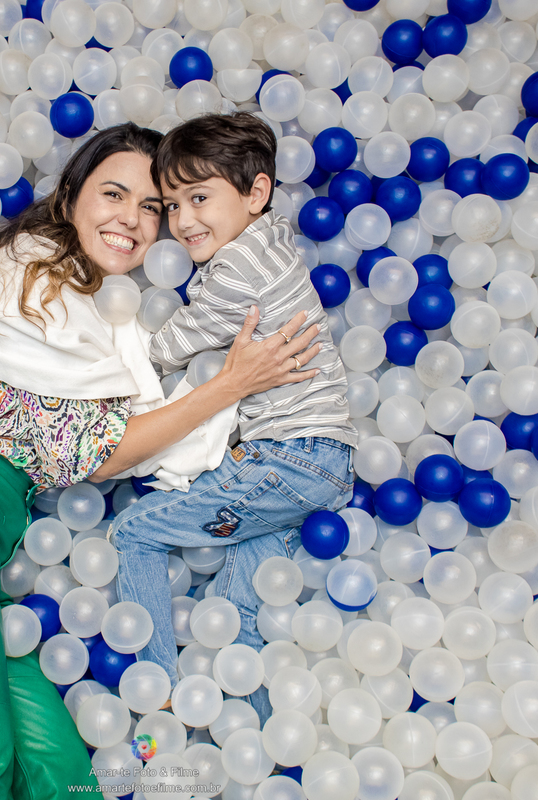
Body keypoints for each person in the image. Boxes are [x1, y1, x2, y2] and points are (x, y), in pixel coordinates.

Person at [0, 122, 322, 800]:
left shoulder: (104, 315)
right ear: (68, 197)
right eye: (113, 194)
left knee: (64, 784)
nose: (133, 219)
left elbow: (129, 411)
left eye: (152, 207)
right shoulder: (27, 272)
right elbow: (97, 452)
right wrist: (231, 385)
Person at [111, 112, 359, 723]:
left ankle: (159, 690)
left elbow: (177, 343)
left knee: (135, 531)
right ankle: (253, 731)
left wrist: (114, 363)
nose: (183, 221)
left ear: (256, 192)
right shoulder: (271, 241)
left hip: (289, 457)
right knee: (239, 608)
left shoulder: (236, 269)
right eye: (172, 205)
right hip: (324, 459)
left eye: (199, 198)